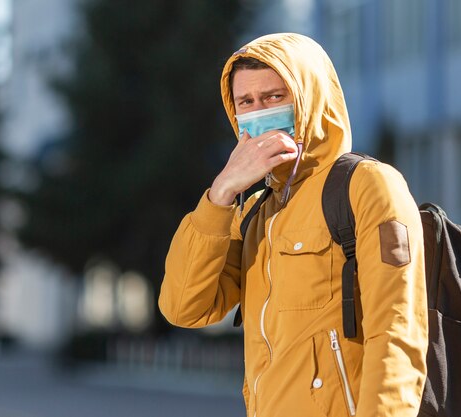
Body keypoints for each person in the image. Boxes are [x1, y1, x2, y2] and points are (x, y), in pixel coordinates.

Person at [158, 33, 428, 417]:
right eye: (246, 103)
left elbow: (397, 333)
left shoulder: (367, 185)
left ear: (309, 99)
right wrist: (219, 195)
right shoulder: (253, 211)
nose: (259, 112)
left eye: (274, 97)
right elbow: (183, 307)